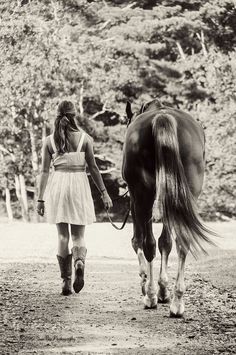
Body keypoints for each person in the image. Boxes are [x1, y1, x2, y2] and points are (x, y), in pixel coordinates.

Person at [36, 100, 113, 296]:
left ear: (57, 116)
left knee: (62, 237)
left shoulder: (48, 141)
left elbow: (44, 172)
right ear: (74, 116)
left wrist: (40, 199)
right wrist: (104, 193)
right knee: (79, 236)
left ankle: (65, 282)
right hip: (79, 184)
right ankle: (79, 262)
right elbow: (94, 168)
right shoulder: (85, 139)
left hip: (59, 185)